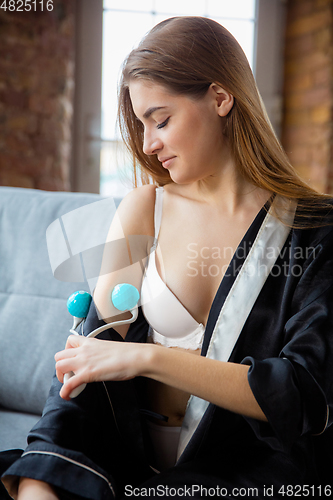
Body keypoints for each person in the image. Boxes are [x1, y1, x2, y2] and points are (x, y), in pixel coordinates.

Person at [2, 16, 333, 500]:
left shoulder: (314, 230)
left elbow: (303, 393)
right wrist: (40, 473)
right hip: (129, 461)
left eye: (161, 119)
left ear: (221, 98)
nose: (148, 144)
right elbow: (89, 351)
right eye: (140, 125)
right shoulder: (144, 209)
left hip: (250, 474)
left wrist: (147, 358)